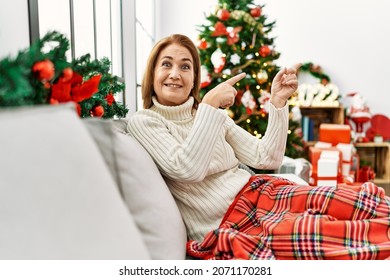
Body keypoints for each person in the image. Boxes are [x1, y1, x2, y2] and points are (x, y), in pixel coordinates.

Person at [127, 34, 390, 260]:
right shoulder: (145, 121)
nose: (175, 74)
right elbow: (186, 169)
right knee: (334, 235)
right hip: (235, 221)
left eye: (185, 67)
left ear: (194, 76)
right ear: (152, 73)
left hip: (262, 192)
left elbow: (266, 157)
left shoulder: (206, 115)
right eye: (166, 64)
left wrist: (277, 103)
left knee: (357, 200)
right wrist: (209, 105)